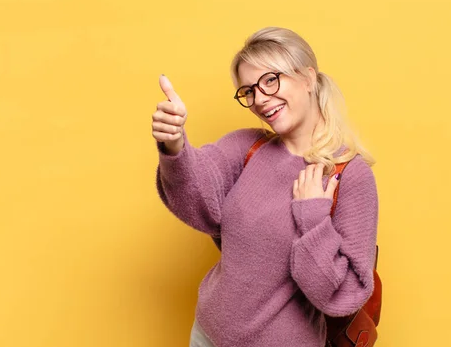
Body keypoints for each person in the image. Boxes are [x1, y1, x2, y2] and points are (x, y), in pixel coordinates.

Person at [152, 27, 379, 347]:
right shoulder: (248, 147)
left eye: (270, 80)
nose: (259, 99)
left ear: (309, 77)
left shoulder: (350, 177)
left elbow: (344, 295)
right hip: (206, 336)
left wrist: (312, 219)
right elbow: (197, 197)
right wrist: (175, 145)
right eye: (248, 91)